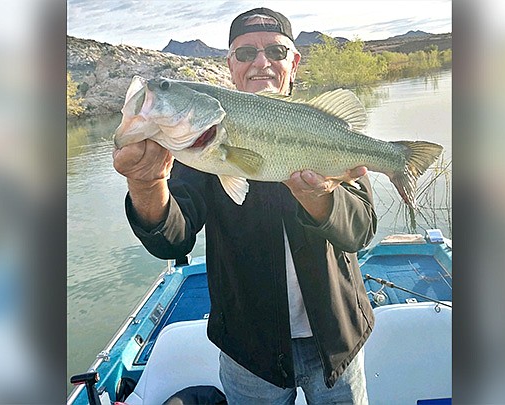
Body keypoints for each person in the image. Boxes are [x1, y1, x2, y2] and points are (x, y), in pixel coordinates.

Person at [113, 7, 376, 404]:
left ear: (294, 62)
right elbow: (172, 240)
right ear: (230, 65)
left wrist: (321, 201)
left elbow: (362, 231)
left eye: (276, 51)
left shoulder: (322, 128)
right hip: (250, 356)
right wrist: (146, 183)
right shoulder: (196, 148)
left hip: (338, 340)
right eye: (245, 53)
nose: (261, 63)